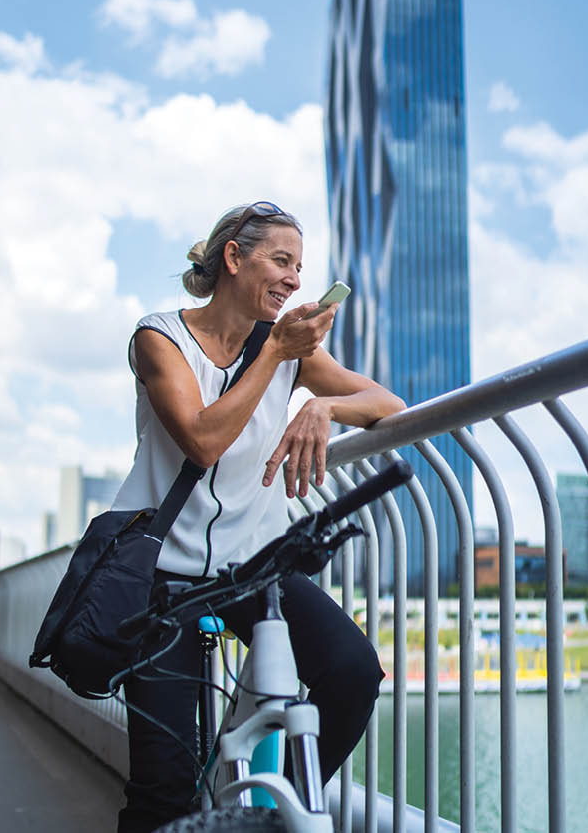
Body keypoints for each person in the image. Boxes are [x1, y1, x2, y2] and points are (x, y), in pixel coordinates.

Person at [112, 201, 406, 833]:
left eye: (300, 267)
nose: (295, 280)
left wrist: (323, 410)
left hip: (254, 568)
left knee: (352, 672)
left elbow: (386, 402)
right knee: (162, 788)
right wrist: (275, 355)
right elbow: (201, 439)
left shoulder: (289, 355)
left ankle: (269, 817)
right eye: (281, 260)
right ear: (234, 257)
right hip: (161, 577)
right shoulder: (158, 338)